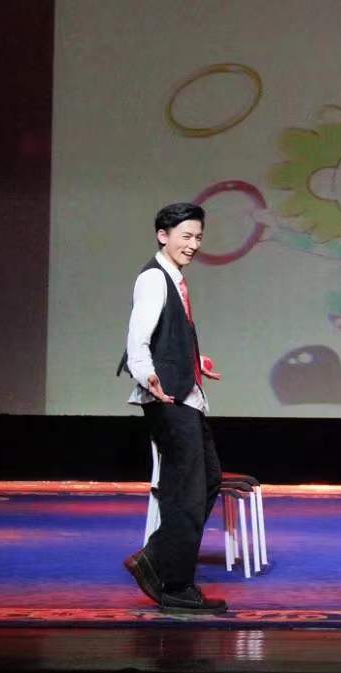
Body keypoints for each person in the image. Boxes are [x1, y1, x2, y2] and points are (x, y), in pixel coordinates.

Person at [117, 202, 227, 614]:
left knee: (208, 480)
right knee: (186, 491)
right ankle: (176, 585)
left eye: (198, 237)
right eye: (186, 236)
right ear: (163, 235)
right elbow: (138, 339)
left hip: (183, 393)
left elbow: (168, 336)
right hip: (168, 398)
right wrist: (149, 376)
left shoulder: (174, 277)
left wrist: (195, 362)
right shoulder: (154, 278)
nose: (193, 244)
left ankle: (155, 557)